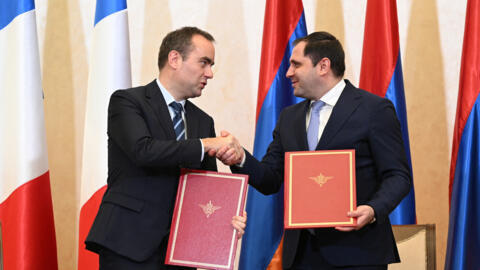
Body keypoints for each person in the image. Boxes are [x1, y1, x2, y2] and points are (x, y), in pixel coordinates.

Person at [218, 31, 411, 269]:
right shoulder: (289, 117)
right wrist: (239, 157)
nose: (288, 73)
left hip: (357, 253)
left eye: (296, 65)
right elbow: (269, 179)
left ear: (323, 66)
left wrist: (372, 210)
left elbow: (398, 176)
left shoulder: (374, 109)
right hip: (301, 255)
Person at [85, 26, 246, 270]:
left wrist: (225, 220)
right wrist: (205, 144)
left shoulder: (203, 121)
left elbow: (205, 189)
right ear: (174, 59)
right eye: (204, 62)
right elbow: (144, 151)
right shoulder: (127, 101)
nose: (210, 73)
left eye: (211, 65)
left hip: (181, 251)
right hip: (128, 244)